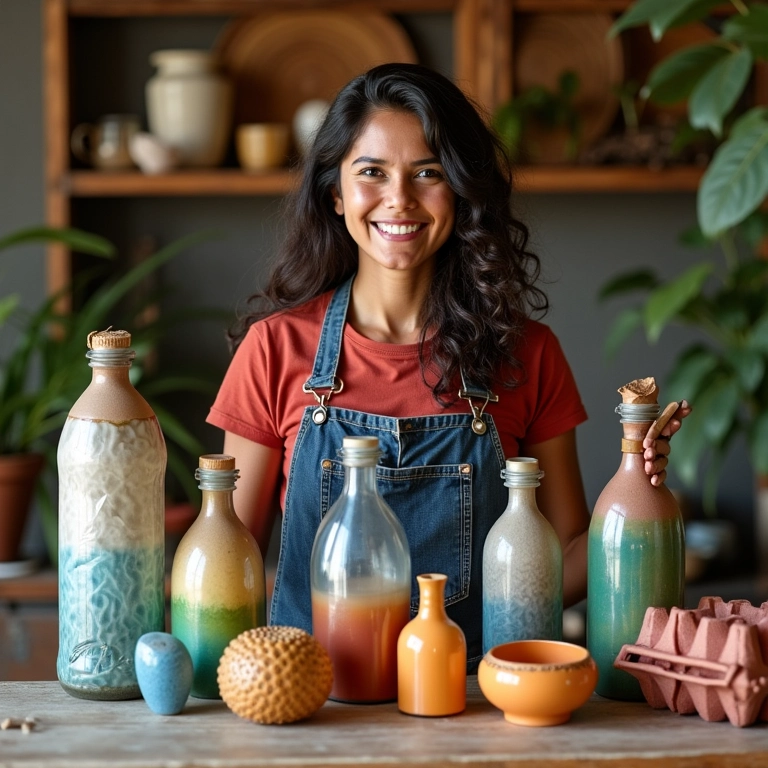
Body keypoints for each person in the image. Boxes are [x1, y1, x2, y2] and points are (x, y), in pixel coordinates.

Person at [207, 62, 690, 669]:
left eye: (427, 173)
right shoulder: (273, 351)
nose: (399, 198)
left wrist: (634, 489)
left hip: (476, 699)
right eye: (371, 172)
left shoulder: (527, 354)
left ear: (461, 191)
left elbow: (567, 558)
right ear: (335, 192)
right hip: (313, 697)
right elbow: (227, 565)